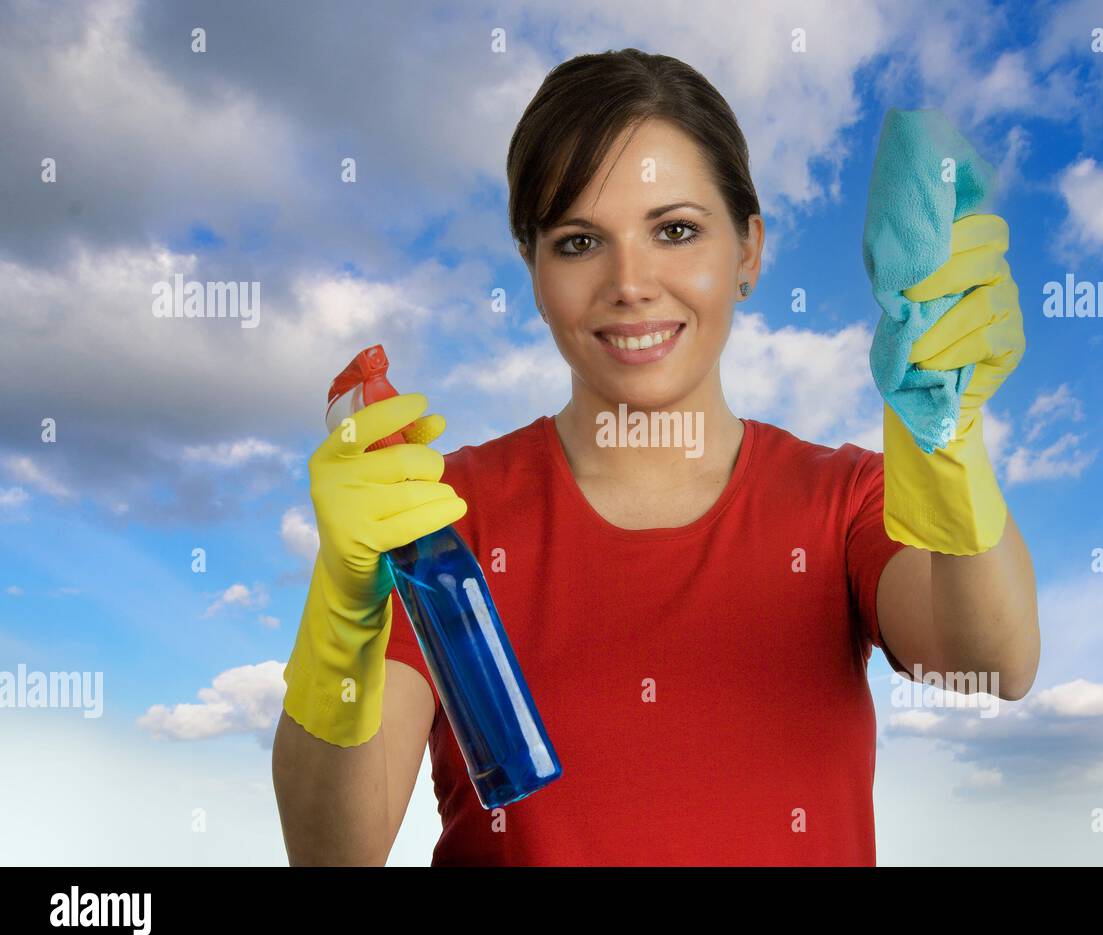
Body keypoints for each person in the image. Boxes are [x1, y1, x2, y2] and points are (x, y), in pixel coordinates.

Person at [272, 48, 1041, 866]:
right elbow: (335, 857)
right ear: (532, 272)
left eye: (676, 231)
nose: (631, 282)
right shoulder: (435, 515)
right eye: (577, 243)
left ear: (748, 251)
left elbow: (989, 665)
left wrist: (948, 440)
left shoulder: (846, 498)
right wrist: (341, 622)